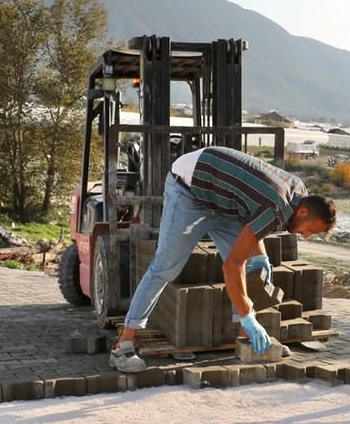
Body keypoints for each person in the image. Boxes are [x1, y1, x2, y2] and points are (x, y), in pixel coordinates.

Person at [110, 146, 337, 373]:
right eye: (309, 230)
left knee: (248, 268)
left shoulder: (299, 193)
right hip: (190, 190)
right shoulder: (277, 206)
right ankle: (123, 345)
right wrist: (248, 314)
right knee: (165, 268)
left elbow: (255, 215)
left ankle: (246, 337)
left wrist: (260, 257)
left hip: (224, 202)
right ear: (303, 212)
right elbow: (231, 264)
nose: (306, 235)